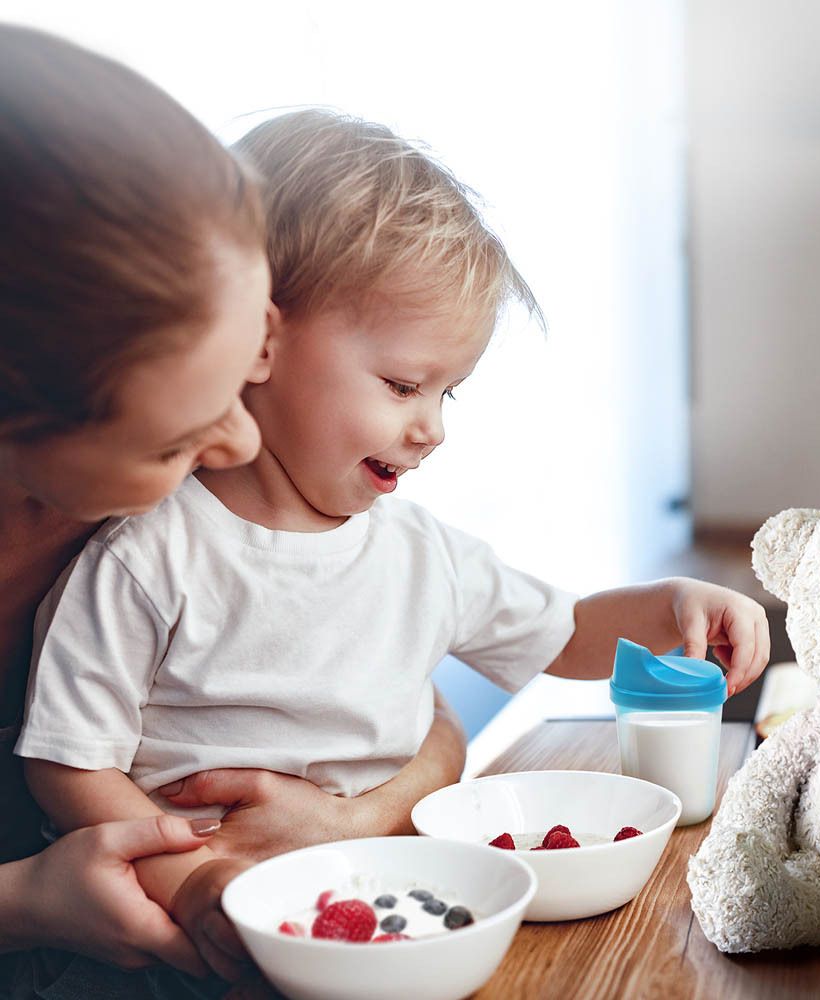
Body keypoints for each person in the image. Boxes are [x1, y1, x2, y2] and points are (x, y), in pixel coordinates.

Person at [15, 110, 770, 991]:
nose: (433, 428)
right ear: (260, 340)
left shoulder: (420, 552)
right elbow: (66, 762)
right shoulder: (149, 554)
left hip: (390, 904)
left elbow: (564, 633)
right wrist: (188, 878)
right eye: (405, 385)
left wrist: (671, 604)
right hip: (179, 943)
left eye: (452, 394)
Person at [0, 29, 465, 994]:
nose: (242, 447)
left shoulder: (176, 511)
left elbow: (412, 701)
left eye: (247, 367)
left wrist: (350, 819)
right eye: (177, 436)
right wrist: (27, 904)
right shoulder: (137, 545)